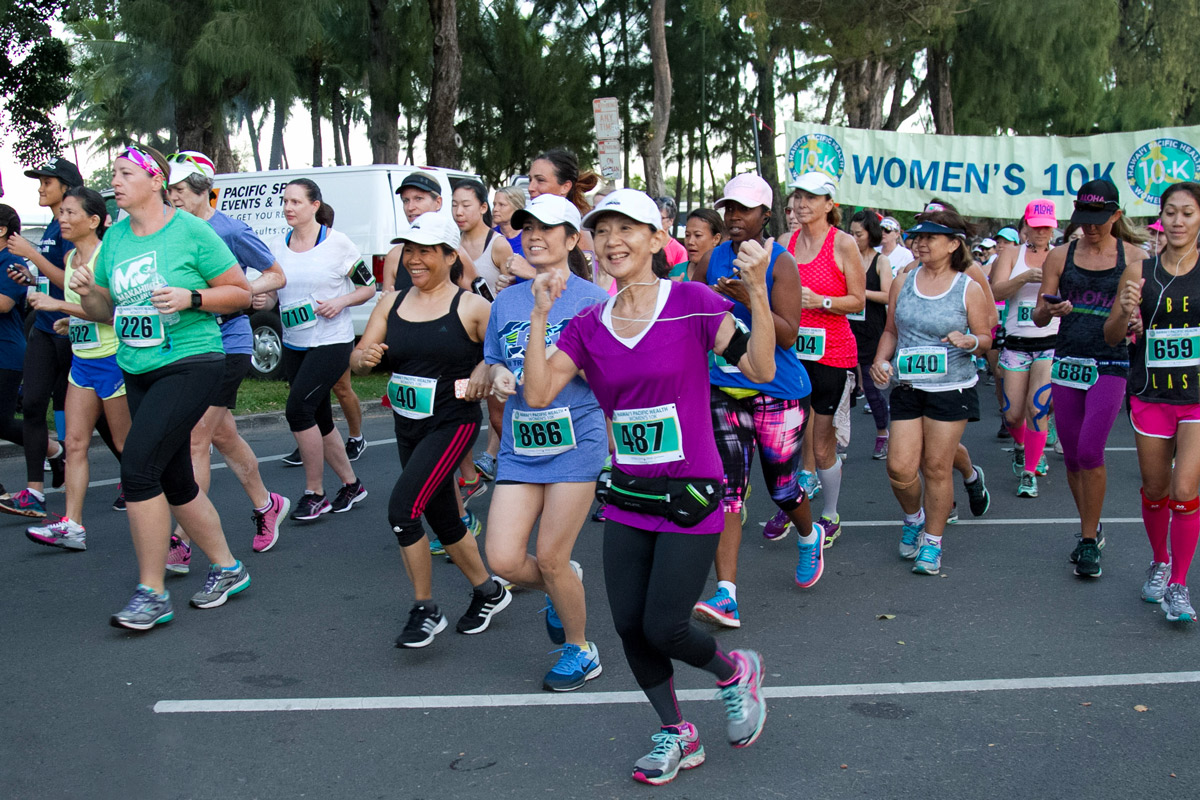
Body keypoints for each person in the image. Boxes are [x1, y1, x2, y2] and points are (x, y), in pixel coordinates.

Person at [523, 189, 770, 786]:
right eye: (602, 230)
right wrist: (538, 316)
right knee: (630, 625)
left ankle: (734, 671)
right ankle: (677, 732)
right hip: (630, 493)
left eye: (627, 228)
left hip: (691, 489)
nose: (613, 241)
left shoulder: (693, 303)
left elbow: (761, 369)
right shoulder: (585, 325)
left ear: (658, 239)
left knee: (666, 626)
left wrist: (758, 294)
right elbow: (535, 394)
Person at [72, 144, 253, 630]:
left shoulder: (190, 230)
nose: (115, 180)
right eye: (113, 173)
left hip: (192, 360)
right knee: (174, 479)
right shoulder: (115, 240)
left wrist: (190, 296)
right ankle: (228, 567)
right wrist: (89, 292)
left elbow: (240, 291)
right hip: (137, 364)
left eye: (125, 172)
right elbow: (103, 312)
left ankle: (151, 593)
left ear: (156, 181)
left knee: (138, 468)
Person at [352, 211, 511, 647]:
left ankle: (425, 609)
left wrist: (482, 366)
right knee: (443, 518)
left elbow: (501, 352)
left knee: (403, 510)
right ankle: (489, 591)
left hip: (451, 423)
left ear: (448, 255)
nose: (414, 260)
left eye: (425, 252)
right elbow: (360, 355)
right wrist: (363, 360)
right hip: (408, 424)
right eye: (410, 252)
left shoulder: (472, 306)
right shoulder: (393, 302)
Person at [482, 194, 609, 690]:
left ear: (572, 239)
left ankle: (580, 650)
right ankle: (564, 583)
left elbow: (609, 377)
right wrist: (496, 375)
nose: (534, 235)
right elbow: (495, 357)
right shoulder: (507, 300)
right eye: (527, 227)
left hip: (578, 437)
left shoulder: (594, 301)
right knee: (505, 559)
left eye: (548, 228)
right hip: (520, 441)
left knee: (551, 556)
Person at [688, 173, 813, 631]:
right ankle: (727, 595)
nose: (735, 217)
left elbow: (788, 333)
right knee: (727, 493)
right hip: (723, 388)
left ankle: (808, 533)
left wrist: (751, 296)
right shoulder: (710, 258)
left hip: (777, 389)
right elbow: (694, 318)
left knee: (783, 489)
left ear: (765, 214)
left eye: (744, 209)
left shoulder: (780, 263)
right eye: (729, 209)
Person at [163, 151, 290, 560]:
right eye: (170, 190)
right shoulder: (169, 229)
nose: (174, 196)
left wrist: (243, 293)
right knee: (223, 435)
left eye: (180, 189)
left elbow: (275, 273)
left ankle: (183, 538)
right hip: (188, 345)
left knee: (196, 437)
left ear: (203, 189)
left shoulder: (229, 230)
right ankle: (267, 504)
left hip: (229, 343)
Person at [870, 209, 993, 576]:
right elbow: (891, 329)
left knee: (937, 467)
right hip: (908, 384)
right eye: (918, 237)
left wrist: (970, 340)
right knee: (899, 468)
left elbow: (986, 338)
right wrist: (880, 360)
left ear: (954, 244)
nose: (920, 243)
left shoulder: (967, 286)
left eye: (931, 237)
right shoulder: (902, 282)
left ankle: (933, 542)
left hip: (951, 387)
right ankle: (913, 518)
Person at [1034, 179, 1145, 578]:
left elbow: (1142, 318)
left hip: (1109, 363)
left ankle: (1085, 542)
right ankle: (1091, 527)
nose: (1091, 228)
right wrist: (1053, 309)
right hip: (1067, 360)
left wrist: (1135, 320)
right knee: (1071, 453)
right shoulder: (1060, 256)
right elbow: (1038, 314)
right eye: (1084, 220)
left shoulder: (1133, 257)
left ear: (1116, 215)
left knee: (1090, 451)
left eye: (1099, 220)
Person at [1105, 181, 1200, 622]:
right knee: (1157, 488)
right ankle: (1160, 560)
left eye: (1188, 212)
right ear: (1160, 217)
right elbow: (1112, 336)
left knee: (1185, 490)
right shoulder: (1139, 270)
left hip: (1197, 397)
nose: (1178, 221)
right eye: (1171, 212)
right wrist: (1126, 310)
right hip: (1151, 394)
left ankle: (1179, 583)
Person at [23, 187, 129, 551]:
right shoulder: (69, 260)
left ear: (94, 221)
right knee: (75, 443)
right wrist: (70, 321)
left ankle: (158, 516)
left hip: (113, 360)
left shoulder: (105, 257)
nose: (62, 219)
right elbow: (84, 311)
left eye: (70, 213)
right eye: (61, 213)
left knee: (125, 444)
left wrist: (58, 305)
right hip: (82, 361)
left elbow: (111, 312)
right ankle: (72, 525)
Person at [270, 179, 372, 521]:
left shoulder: (337, 243)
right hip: (295, 342)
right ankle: (352, 484)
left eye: (296, 202)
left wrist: (341, 301)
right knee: (319, 416)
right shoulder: (277, 246)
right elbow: (274, 294)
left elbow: (368, 285)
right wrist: (262, 297)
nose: (288, 207)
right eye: (285, 201)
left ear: (315, 205)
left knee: (298, 411)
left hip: (331, 342)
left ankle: (315, 493)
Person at [777, 171, 865, 547]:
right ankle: (790, 505)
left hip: (832, 353)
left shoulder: (843, 244)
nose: (802, 204)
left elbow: (858, 300)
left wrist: (822, 301)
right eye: (798, 196)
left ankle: (830, 514)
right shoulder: (784, 242)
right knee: (784, 438)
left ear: (830, 205)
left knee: (821, 443)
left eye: (812, 197)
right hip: (791, 351)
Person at [0, 157, 83, 516]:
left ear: (65, 186)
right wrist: (31, 278)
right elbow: (52, 279)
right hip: (46, 330)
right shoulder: (51, 228)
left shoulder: (71, 228)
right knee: (32, 405)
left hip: (76, 329)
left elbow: (74, 282)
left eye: (46, 182)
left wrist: (31, 255)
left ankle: (135, 478)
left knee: (101, 420)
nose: (40, 187)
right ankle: (34, 491)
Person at [991, 200, 1059, 497]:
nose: (1041, 231)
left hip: (1050, 343)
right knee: (1012, 414)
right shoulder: (1011, 254)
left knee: (1037, 407)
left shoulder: (1061, 256)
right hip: (1017, 343)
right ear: (1026, 227)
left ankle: (1030, 471)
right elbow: (994, 290)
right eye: (1036, 225)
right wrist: (1023, 278)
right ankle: (1022, 445)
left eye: (1046, 226)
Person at [381, 171, 478, 293]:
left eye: (418, 199)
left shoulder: (454, 251)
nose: (410, 207)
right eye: (405, 200)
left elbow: (479, 301)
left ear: (438, 202)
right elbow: (386, 302)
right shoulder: (395, 256)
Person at [848, 209, 893, 459]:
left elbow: (888, 294)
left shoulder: (881, 261)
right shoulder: (846, 257)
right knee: (844, 388)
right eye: (851, 233)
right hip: (847, 330)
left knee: (873, 389)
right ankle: (835, 441)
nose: (854, 238)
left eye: (859, 234)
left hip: (873, 331)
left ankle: (883, 433)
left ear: (871, 234)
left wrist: (859, 294)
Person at [0, 205, 27, 498]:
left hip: (6, 354)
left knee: (3, 422)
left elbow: (4, 303)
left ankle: (55, 449)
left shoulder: (11, 263)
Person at [673, 208, 724, 281]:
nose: (690, 242)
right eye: (687, 235)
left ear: (716, 239)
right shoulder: (675, 272)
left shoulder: (726, 274)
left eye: (698, 235)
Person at [492, 185, 526, 257]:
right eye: (494, 204)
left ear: (517, 207)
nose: (495, 209)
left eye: (501, 205)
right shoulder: (490, 236)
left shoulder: (529, 236)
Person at [655, 196, 689, 269]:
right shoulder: (644, 244)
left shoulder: (679, 251)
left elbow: (680, 277)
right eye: (653, 217)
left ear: (671, 221)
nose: (655, 221)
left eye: (660, 218)